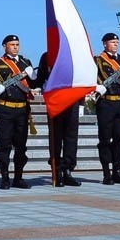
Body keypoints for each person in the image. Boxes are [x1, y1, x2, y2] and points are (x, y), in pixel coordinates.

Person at [0, 34, 36, 189]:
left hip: (22, 110)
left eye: (17, 44)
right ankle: (4, 178)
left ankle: (18, 178)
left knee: (21, 146)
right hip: (5, 109)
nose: (15, 47)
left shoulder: (25, 62)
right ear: (4, 46)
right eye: (12, 44)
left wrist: (34, 76)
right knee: (4, 145)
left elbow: (36, 83)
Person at [33, 50, 81, 187]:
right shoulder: (47, 56)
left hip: (72, 99)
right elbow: (40, 79)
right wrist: (34, 79)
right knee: (56, 136)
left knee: (71, 136)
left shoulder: (74, 54)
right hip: (55, 100)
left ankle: (68, 170)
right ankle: (57, 171)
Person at [93, 31, 120, 185]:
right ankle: (106, 173)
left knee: (119, 138)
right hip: (106, 103)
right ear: (105, 44)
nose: (115, 44)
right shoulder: (98, 60)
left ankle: (117, 171)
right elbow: (90, 77)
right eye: (112, 42)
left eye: (117, 42)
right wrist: (97, 87)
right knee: (105, 139)